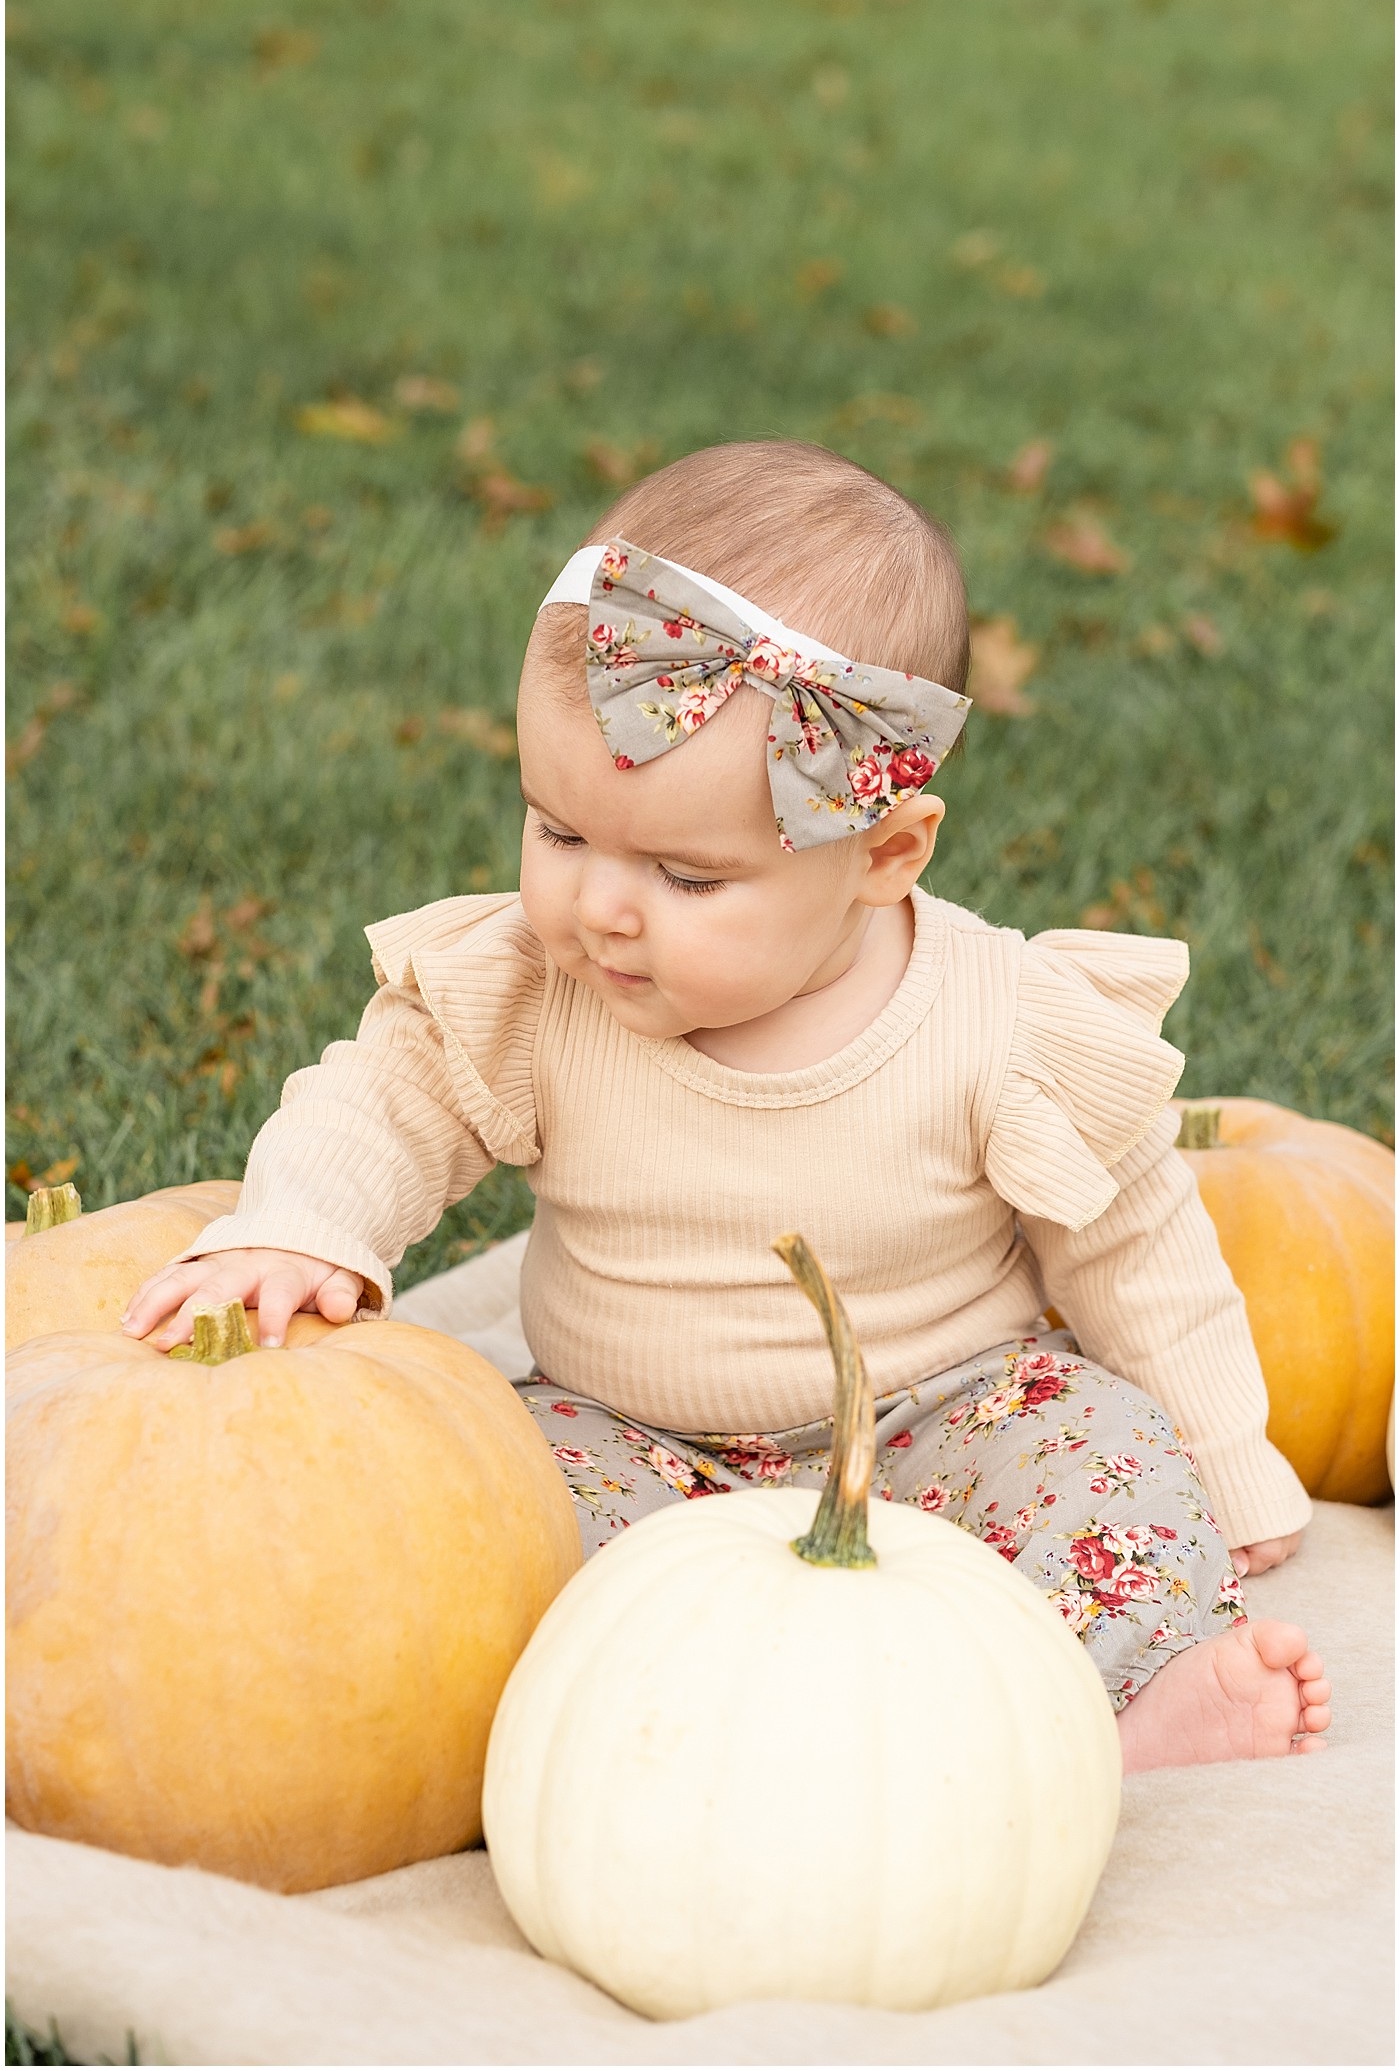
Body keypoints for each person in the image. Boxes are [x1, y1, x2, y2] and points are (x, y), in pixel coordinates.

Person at [123, 439, 1331, 1773]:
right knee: (467, 1520)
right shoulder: (539, 995)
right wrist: (300, 1224)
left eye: (688, 878)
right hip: (629, 1439)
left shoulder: (996, 1017)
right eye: (558, 832)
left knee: (1105, 1457)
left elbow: (1131, 1243)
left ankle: (1097, 1710)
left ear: (883, 856)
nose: (601, 906)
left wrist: (1226, 1450)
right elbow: (386, 1104)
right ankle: (672, 1740)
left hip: (941, 1422)